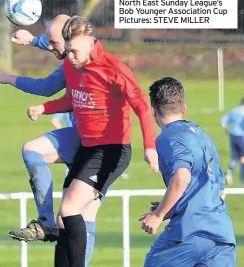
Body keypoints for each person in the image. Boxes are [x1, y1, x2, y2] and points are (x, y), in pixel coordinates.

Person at [27, 15, 159, 267]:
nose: (71, 58)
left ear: (90, 41)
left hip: (112, 149)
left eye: (75, 51)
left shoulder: (113, 68)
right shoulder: (74, 64)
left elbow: (141, 106)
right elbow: (73, 100)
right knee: (64, 217)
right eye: (68, 52)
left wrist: (150, 147)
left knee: (69, 209)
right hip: (88, 149)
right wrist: (44, 107)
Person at [0, 15, 98, 266]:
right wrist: (30, 43)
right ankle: (45, 223)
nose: (50, 47)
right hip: (77, 136)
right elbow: (48, 84)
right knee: (32, 150)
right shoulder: (69, 58)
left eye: (53, 42)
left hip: (101, 147)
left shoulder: (95, 58)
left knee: (77, 216)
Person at [139, 77, 236, 267]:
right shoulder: (203, 136)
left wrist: (158, 215)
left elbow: (182, 176)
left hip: (189, 234)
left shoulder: (169, 137)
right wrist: (169, 207)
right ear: (183, 108)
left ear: (153, 111)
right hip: (223, 237)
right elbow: (218, 191)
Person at [221, 98, 244, 185]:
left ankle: (229, 171)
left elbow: (223, 121)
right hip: (241, 136)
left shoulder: (234, 110)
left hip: (232, 135)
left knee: (236, 157)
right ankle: (242, 178)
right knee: (243, 157)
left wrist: (227, 131)